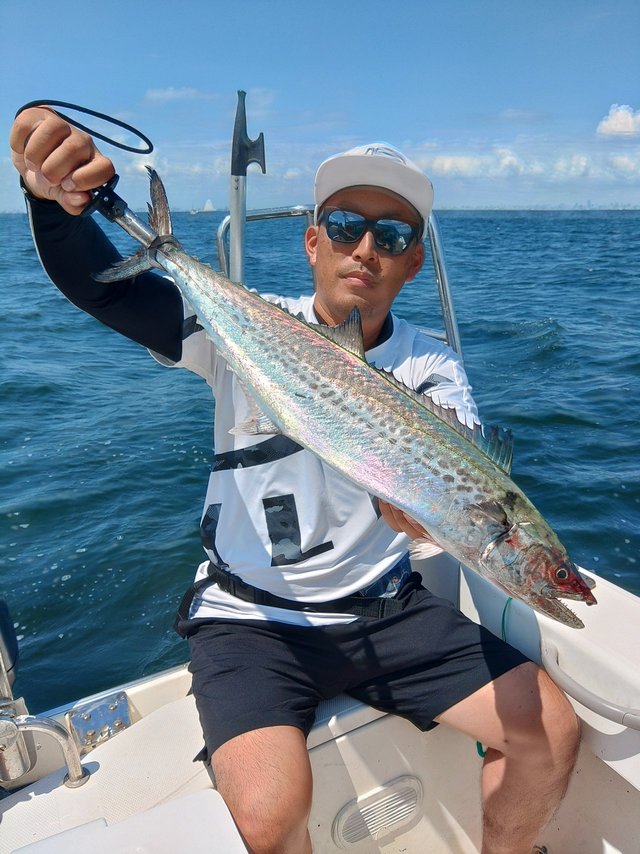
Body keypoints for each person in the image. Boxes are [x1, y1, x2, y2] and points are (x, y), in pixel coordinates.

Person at [10, 107, 578, 854]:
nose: (366, 248)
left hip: (385, 608)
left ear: (413, 262)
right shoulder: (251, 321)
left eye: (392, 236)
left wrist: (418, 509)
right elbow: (109, 293)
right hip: (251, 618)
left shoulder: (432, 365)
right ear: (313, 242)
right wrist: (55, 206)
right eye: (344, 226)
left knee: (551, 732)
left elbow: (453, 479)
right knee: (270, 819)